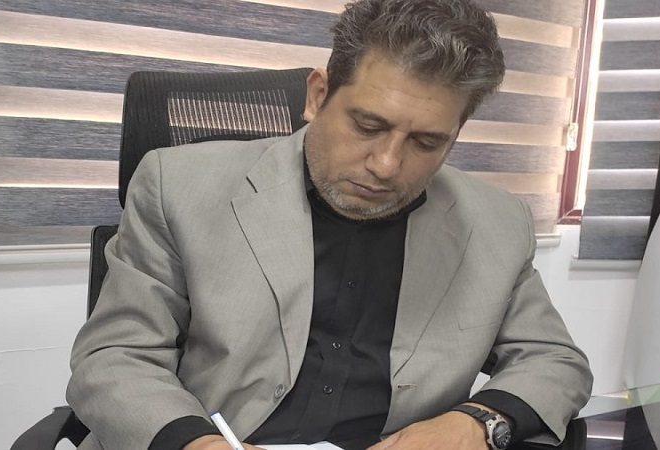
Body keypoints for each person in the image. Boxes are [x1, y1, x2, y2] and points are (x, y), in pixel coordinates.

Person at [66, 0, 593, 449]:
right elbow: (116, 356)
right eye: (367, 126)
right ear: (318, 96)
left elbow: (555, 360)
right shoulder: (179, 185)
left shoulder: (496, 222)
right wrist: (194, 443)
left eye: (426, 142)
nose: (386, 164)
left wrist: (477, 422)